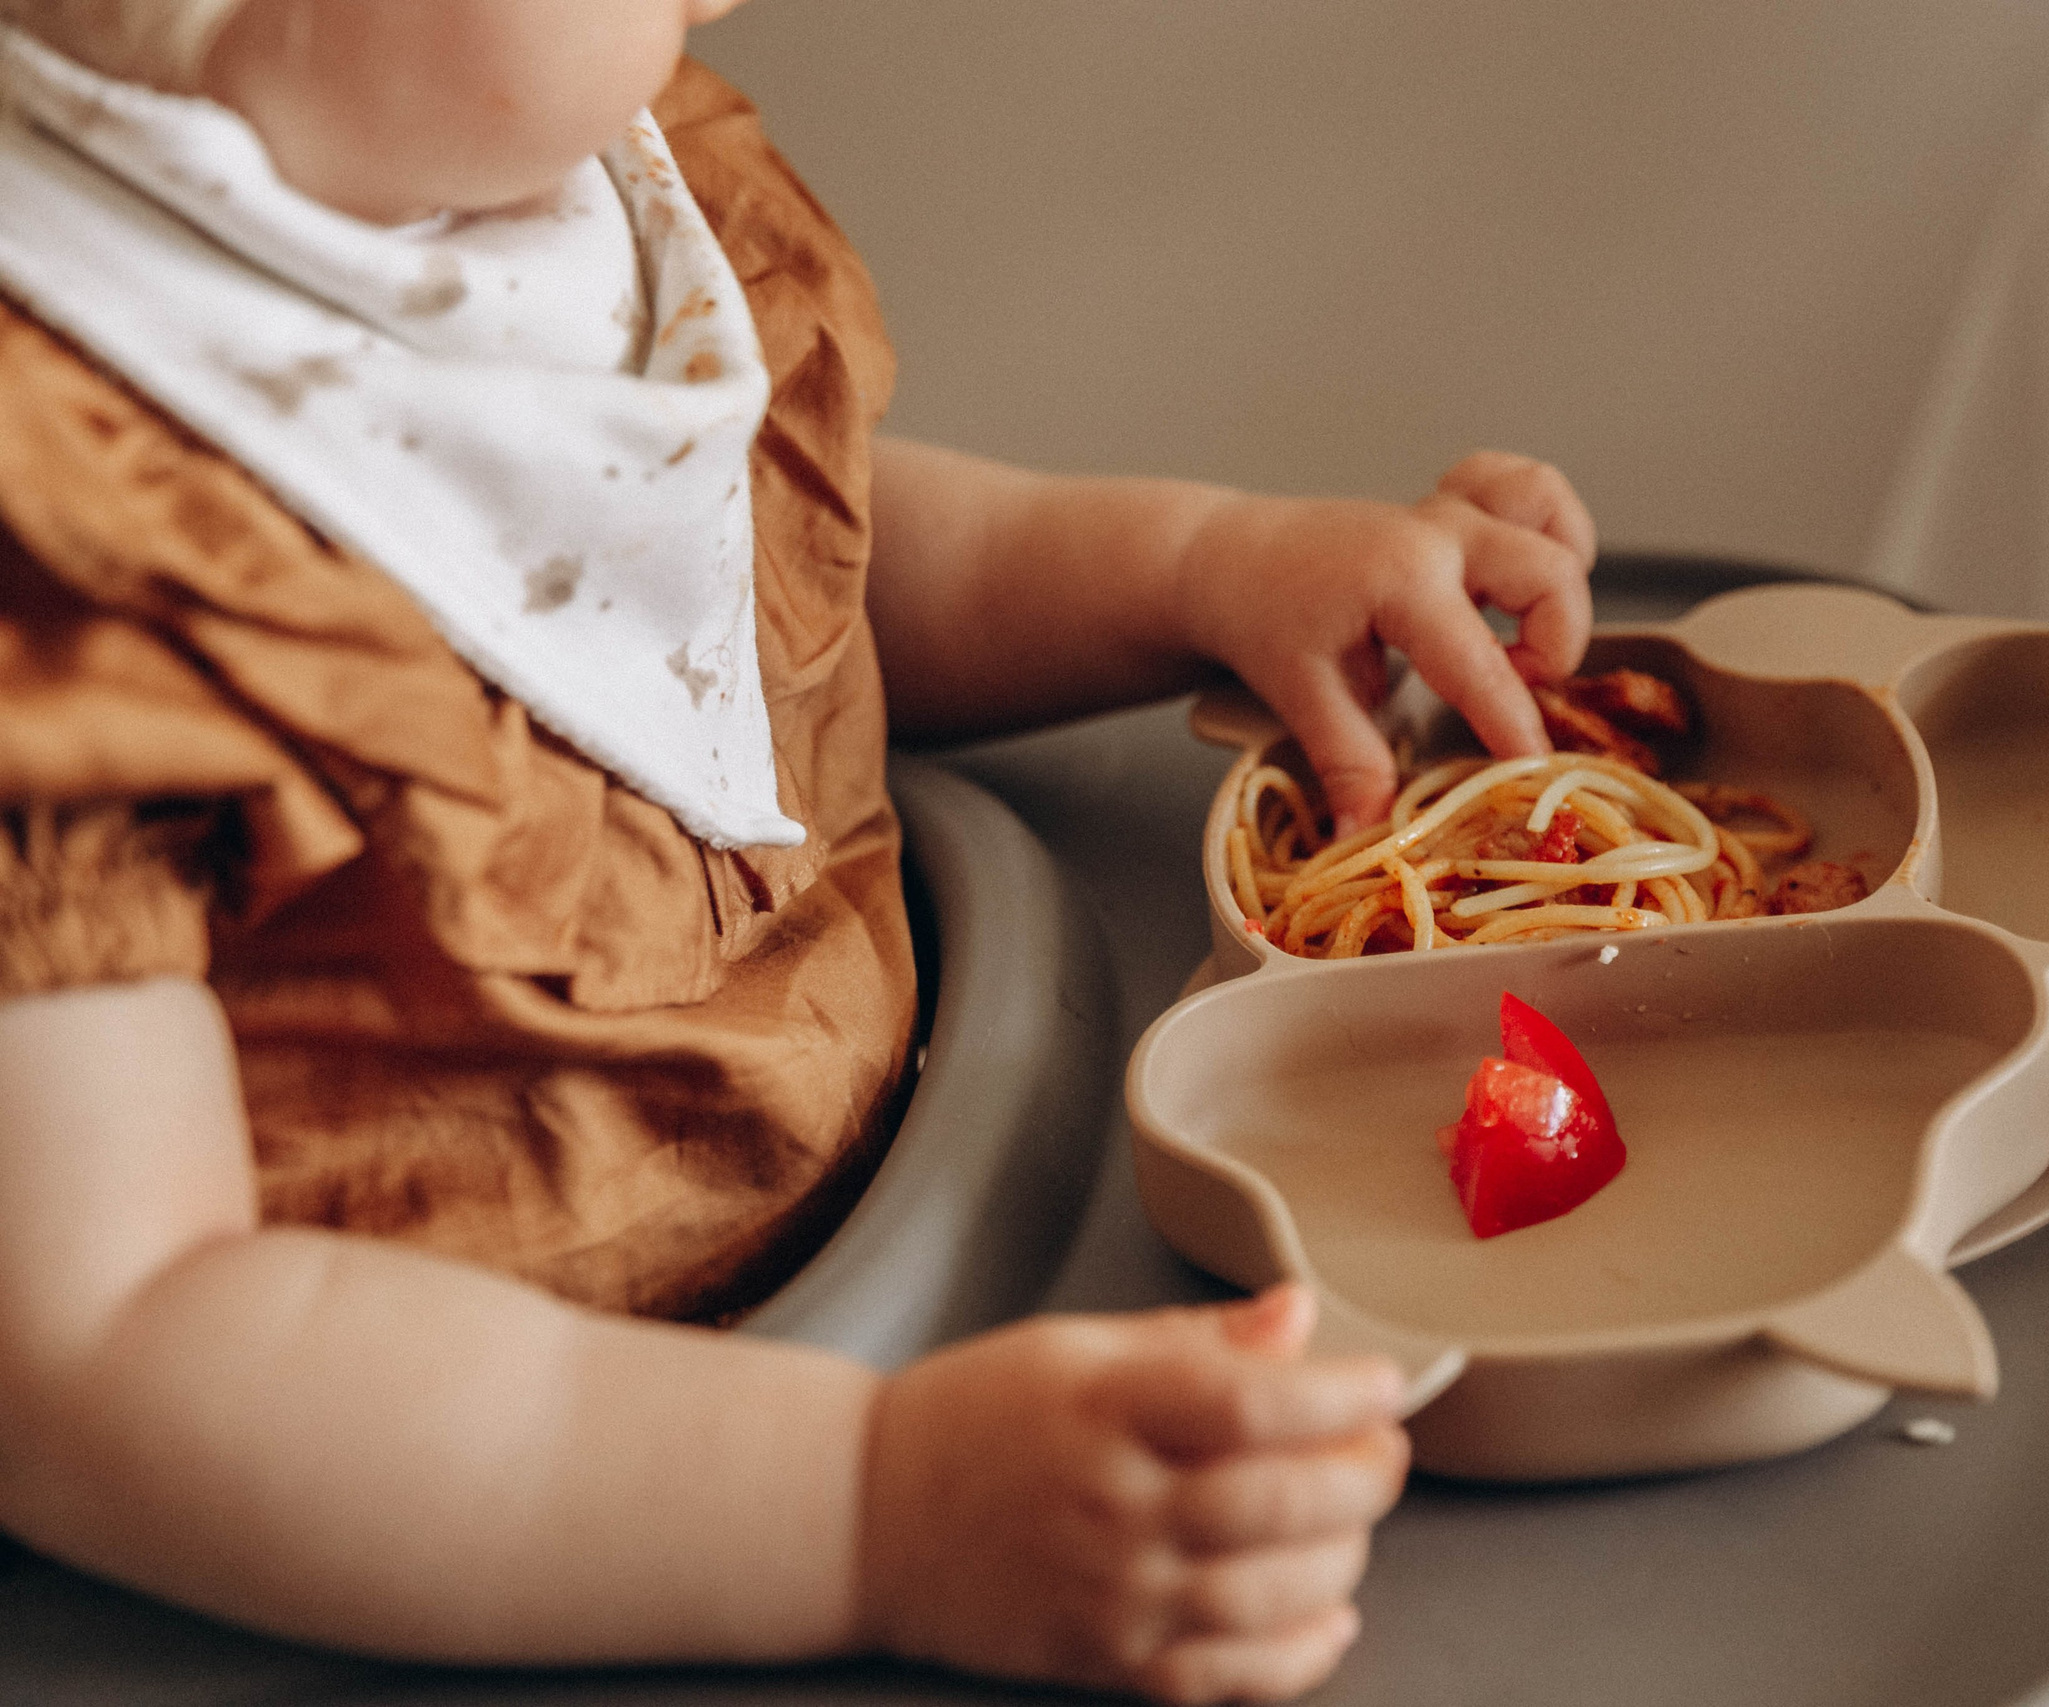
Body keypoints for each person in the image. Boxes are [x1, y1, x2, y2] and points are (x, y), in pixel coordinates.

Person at [0, 1, 1599, 1702]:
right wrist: (875, 1508)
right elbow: (103, 1349)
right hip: (533, 1517)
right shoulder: (60, 572)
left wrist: (1196, 565)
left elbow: (729, 575)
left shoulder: (488, 154)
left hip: (968, 1176)